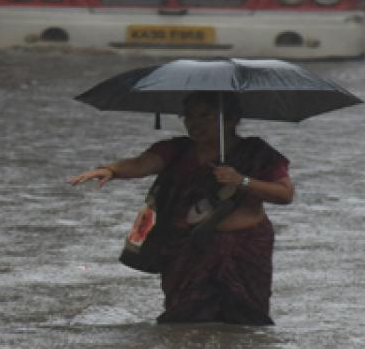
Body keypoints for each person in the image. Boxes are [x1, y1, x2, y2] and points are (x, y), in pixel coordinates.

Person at [68, 92, 294, 325]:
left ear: (231, 120)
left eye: (205, 115)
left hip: (244, 249)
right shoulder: (176, 150)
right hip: (188, 248)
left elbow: (285, 194)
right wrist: (112, 170)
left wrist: (241, 180)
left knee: (247, 321)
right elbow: (140, 165)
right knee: (183, 319)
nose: (194, 123)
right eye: (188, 116)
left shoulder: (257, 152)